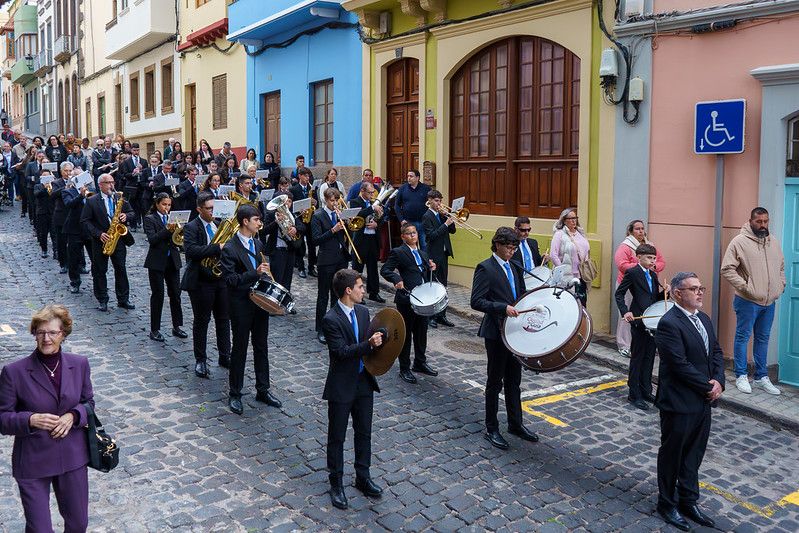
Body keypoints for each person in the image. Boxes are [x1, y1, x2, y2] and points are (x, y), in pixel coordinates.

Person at [0, 305, 95, 533]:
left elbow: (88, 403)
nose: (46, 338)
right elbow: (2, 418)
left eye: (53, 332)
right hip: (33, 460)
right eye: (41, 332)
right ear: (34, 333)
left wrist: (73, 416)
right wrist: (30, 419)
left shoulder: (79, 364)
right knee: (39, 529)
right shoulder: (14, 372)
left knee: (78, 524)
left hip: (72, 457)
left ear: (63, 334)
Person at [654, 272, 724, 532]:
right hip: (679, 401)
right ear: (677, 293)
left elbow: (715, 351)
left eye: (701, 287)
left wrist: (719, 381)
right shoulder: (669, 323)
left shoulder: (703, 319)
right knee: (673, 454)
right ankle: (666, 503)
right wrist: (708, 386)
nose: (700, 292)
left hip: (703, 401)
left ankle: (688, 500)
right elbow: (678, 364)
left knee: (694, 453)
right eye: (693, 288)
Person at [471, 227, 540, 450]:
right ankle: (491, 427)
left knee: (514, 380)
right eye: (508, 248)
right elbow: (476, 301)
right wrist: (503, 308)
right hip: (495, 331)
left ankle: (515, 423)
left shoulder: (514, 266)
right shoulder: (485, 268)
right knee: (495, 381)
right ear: (497, 245)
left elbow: (520, 294)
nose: (511, 252)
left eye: (514, 248)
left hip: (514, 330)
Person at [322, 269, 384, 510]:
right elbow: (341, 353)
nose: (363, 290)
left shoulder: (363, 311)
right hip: (341, 385)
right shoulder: (331, 319)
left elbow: (370, 348)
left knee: (364, 432)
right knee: (337, 437)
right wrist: (368, 345)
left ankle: (363, 477)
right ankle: (336, 483)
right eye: (360, 286)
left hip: (363, 381)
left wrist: (380, 341)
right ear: (348, 290)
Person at [220, 204, 282, 415]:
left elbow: (262, 271)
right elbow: (230, 280)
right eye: (256, 220)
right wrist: (254, 274)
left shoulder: (258, 242)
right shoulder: (230, 248)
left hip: (259, 303)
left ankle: (262, 389)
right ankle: (235, 393)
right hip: (240, 305)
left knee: (261, 347)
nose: (259, 223)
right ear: (245, 222)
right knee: (239, 349)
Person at [721, 207, 786, 395]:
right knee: (742, 337)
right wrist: (746, 287)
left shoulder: (773, 241)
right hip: (747, 300)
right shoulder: (739, 242)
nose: (763, 225)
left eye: (766, 221)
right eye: (759, 221)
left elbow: (781, 266)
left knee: (763, 338)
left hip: (769, 301)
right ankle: (741, 375)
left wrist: (781, 285)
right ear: (750, 221)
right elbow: (727, 269)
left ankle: (760, 376)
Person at [180, 192, 231, 378]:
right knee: (201, 321)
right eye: (208, 209)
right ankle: (200, 360)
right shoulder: (191, 227)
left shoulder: (218, 225)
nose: (212, 212)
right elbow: (191, 251)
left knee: (224, 320)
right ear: (199, 209)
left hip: (220, 280)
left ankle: (225, 355)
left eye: (213, 208)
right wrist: (218, 247)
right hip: (200, 281)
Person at [380, 222, 438, 383]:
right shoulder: (398, 252)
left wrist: (432, 268)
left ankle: (420, 362)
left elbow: (426, 273)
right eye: (409, 233)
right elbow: (385, 270)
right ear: (404, 236)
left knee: (422, 332)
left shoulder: (423, 253)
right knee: (406, 334)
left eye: (415, 233)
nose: (413, 235)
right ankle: (404, 368)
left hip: (423, 299)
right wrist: (397, 279)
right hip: (407, 299)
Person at [615, 243, 668, 411]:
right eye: (649, 258)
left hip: (652, 322)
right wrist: (626, 312)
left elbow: (654, 297)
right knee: (638, 358)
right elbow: (619, 294)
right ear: (639, 257)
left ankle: (646, 390)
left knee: (650, 357)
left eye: (654, 258)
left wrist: (666, 292)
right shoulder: (632, 272)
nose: (653, 261)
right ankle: (634, 393)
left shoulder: (653, 274)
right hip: (638, 320)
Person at [80, 173, 136, 312]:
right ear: (100, 185)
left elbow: (132, 212)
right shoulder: (92, 201)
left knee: (121, 269)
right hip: (101, 240)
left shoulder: (119, 198)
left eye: (112, 182)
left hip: (118, 239)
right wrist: (99, 234)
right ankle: (102, 299)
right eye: (108, 182)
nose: (112, 185)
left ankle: (123, 299)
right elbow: (85, 221)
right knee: (99, 270)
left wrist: (126, 216)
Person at [614, 220, 665, 356]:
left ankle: (646, 342)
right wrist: (640, 268)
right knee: (628, 313)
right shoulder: (625, 246)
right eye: (637, 229)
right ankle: (624, 344)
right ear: (631, 231)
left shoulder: (649, 245)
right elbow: (621, 264)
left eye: (642, 228)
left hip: (647, 284)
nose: (641, 231)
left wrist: (653, 266)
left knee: (647, 312)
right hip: (631, 283)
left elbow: (661, 261)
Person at [144, 193, 186, 342]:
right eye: (164, 205)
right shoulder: (150, 219)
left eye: (169, 205)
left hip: (172, 260)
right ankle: (154, 329)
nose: (166, 208)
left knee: (175, 294)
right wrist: (168, 229)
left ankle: (177, 326)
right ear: (157, 204)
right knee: (158, 295)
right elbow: (153, 240)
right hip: (156, 261)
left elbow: (179, 239)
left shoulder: (173, 218)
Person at [312, 188, 351, 344]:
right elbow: (316, 240)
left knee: (338, 295)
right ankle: (320, 329)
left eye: (337, 200)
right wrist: (333, 230)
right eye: (332, 201)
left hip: (341, 259)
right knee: (323, 296)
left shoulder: (339, 214)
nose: (335, 203)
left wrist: (347, 223)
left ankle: (334, 326)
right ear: (325, 200)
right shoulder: (318, 216)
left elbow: (346, 235)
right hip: (326, 260)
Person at [423, 190, 456, 328]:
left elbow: (452, 230)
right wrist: (445, 225)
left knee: (443, 286)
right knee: (432, 286)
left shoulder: (442, 215)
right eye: (436, 201)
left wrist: (449, 218)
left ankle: (442, 315)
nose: (439, 204)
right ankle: (431, 317)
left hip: (444, 254)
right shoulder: (427, 216)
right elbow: (431, 236)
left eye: (440, 201)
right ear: (429, 200)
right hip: (433, 255)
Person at [262, 191, 303, 296]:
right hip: (277, 250)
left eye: (289, 202)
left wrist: (295, 228)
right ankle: (275, 301)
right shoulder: (271, 214)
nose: (287, 204)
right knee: (277, 278)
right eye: (285, 202)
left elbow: (302, 227)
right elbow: (263, 231)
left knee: (288, 278)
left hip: (290, 249)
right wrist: (276, 222)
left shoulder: (291, 214)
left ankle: (285, 301)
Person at [350, 182, 385, 303]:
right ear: (362, 191)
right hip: (361, 240)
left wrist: (377, 223)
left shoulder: (373, 203)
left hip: (372, 239)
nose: (372, 195)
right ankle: (357, 295)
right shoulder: (355, 202)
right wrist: (371, 208)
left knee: (373, 268)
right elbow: (357, 215)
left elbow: (380, 219)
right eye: (369, 192)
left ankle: (374, 292)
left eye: (372, 193)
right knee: (357, 269)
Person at [550, 207, 590, 306]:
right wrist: (562, 270)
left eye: (575, 218)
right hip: (567, 277)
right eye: (570, 218)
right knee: (568, 304)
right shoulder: (559, 234)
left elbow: (586, 250)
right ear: (564, 220)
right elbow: (553, 254)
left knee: (582, 304)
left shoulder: (580, 233)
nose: (573, 221)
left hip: (581, 276)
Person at [62, 176, 92, 293]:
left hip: (89, 229)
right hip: (74, 229)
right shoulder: (67, 191)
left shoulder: (92, 190)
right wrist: (80, 195)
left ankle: (98, 281)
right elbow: (69, 204)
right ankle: (75, 282)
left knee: (95, 256)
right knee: (73, 258)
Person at [290, 167, 317, 278]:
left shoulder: (312, 189)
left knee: (312, 245)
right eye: (305, 176)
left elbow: (317, 205)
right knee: (300, 245)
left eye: (308, 176)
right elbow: (291, 206)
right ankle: (301, 268)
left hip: (311, 220)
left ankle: (311, 267)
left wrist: (315, 203)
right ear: (300, 176)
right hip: (300, 220)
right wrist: (298, 210)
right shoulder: (293, 189)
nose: (307, 178)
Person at [394, 169, 431, 251]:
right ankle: (411, 263)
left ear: (417, 178)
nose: (409, 178)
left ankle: (424, 263)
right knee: (410, 246)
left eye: (411, 176)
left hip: (423, 222)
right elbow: (396, 205)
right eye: (408, 176)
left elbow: (431, 205)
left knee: (424, 245)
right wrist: (401, 219)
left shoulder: (426, 189)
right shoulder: (403, 188)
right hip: (408, 222)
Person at [51, 162, 72, 273]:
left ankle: (79, 264)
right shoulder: (56, 182)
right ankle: (63, 263)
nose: (68, 173)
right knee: (61, 241)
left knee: (76, 241)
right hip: (61, 215)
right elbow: (53, 195)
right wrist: (66, 187)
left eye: (70, 171)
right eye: (66, 171)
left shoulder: (76, 180)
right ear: (61, 171)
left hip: (73, 215)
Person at [120, 143, 144, 231]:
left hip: (141, 186)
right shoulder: (127, 161)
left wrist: (141, 170)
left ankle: (138, 221)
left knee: (140, 205)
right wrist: (133, 173)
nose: (136, 152)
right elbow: (125, 174)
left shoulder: (143, 161)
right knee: (132, 205)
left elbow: (145, 174)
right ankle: (133, 225)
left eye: (137, 150)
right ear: (131, 150)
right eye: (134, 150)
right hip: (131, 186)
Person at [33, 170, 56, 258]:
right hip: (42, 212)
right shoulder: (38, 186)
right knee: (43, 233)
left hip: (52, 212)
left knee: (54, 233)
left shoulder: (54, 185)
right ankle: (44, 250)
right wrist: (44, 188)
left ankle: (55, 251)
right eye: (44, 176)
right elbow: (37, 194)